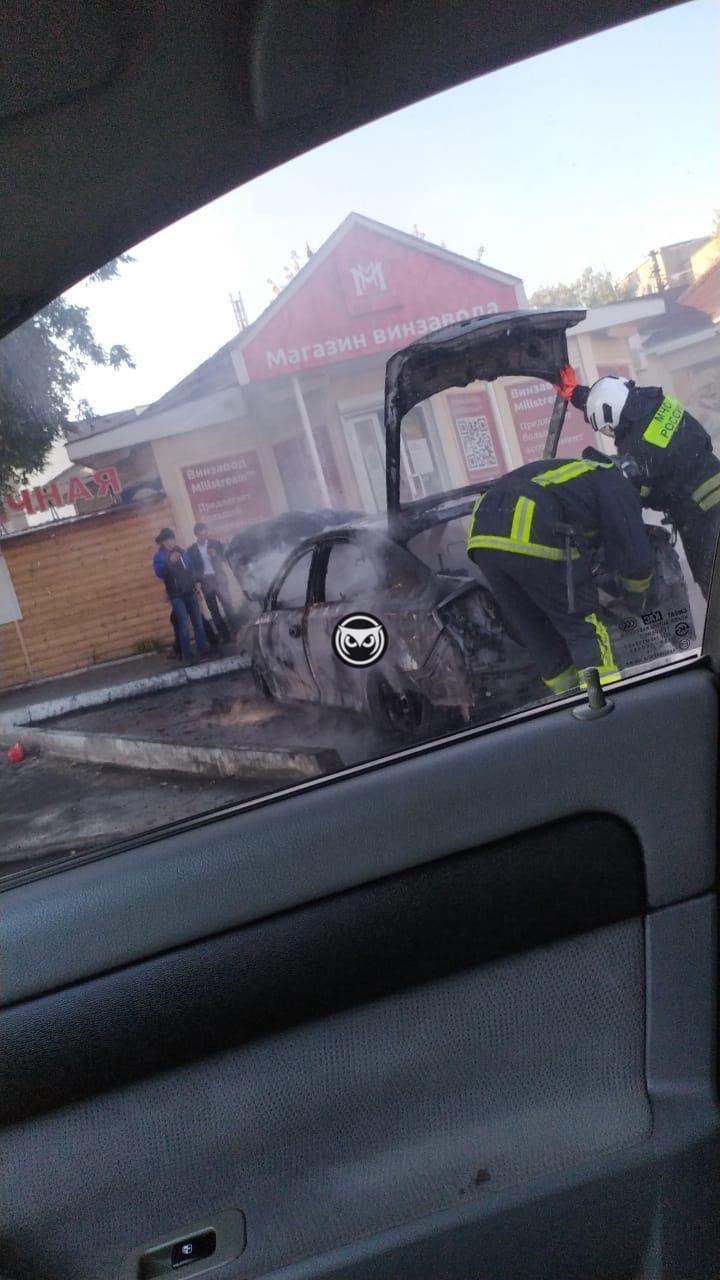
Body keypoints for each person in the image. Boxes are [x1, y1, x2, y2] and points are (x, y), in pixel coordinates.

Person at [466, 456, 655, 696]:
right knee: (582, 626)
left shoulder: (576, 472)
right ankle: (604, 703)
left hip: (482, 537)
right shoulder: (613, 479)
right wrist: (637, 598)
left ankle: (568, 704)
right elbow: (634, 554)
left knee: (539, 634)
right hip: (528, 526)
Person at [556, 366, 720, 597]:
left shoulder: (638, 448)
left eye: (608, 429)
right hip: (711, 488)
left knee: (712, 583)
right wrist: (576, 394)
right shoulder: (652, 401)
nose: (611, 433)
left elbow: (634, 492)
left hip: (702, 515)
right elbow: (610, 402)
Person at [152, 527, 210, 665]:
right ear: (162, 542)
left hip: (189, 591)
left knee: (198, 622)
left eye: (171, 539)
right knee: (183, 624)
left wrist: (196, 582)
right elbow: (159, 573)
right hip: (176, 595)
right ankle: (187, 656)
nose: (170, 542)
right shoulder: (159, 556)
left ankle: (203, 651)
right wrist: (170, 561)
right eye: (167, 540)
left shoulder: (182, 551)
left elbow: (190, 569)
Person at [187, 522, 237, 640]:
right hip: (205, 581)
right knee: (214, 611)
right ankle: (225, 636)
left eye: (205, 533)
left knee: (228, 606)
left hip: (218, 578)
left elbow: (225, 558)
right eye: (201, 534)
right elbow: (192, 568)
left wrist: (216, 555)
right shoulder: (192, 550)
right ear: (196, 535)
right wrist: (197, 582)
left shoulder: (215, 543)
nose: (204, 536)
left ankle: (237, 631)